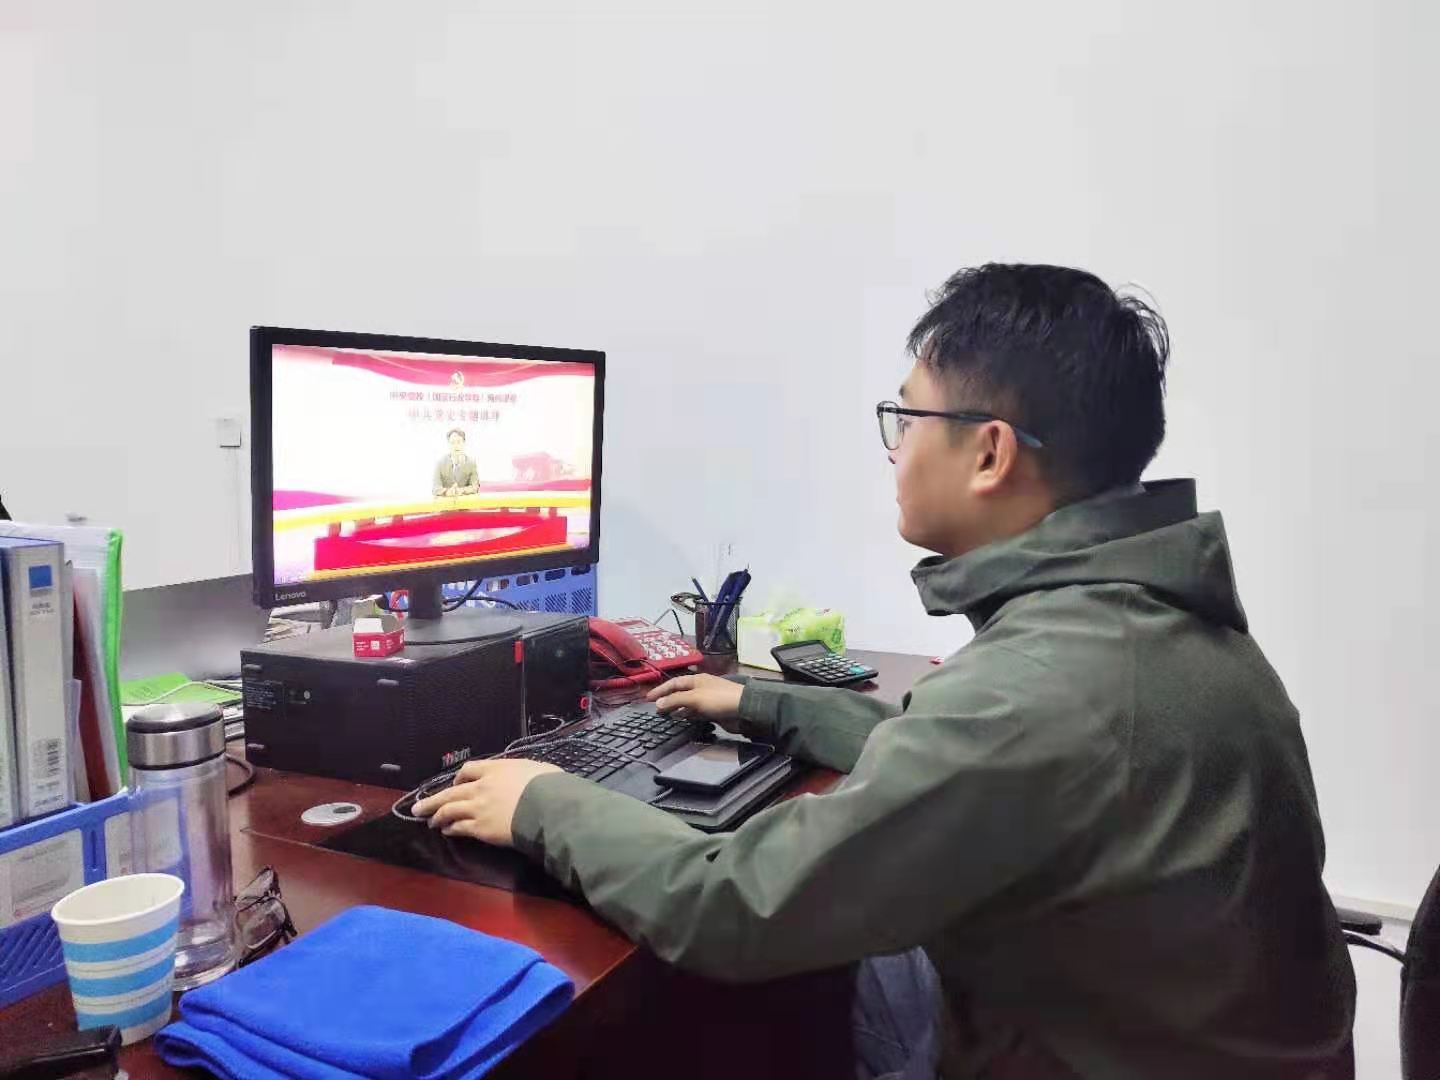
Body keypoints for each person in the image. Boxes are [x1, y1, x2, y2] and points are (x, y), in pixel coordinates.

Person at [415, 264, 1357, 1078]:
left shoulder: (1035, 689)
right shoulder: (1147, 622)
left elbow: (733, 904)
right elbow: (958, 757)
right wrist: (762, 705)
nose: (896, 447)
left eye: (907, 417)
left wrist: (544, 801)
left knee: (726, 996)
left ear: (988, 451)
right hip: (1160, 1034)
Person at [432, 428, 479, 497]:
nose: (456, 446)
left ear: (464, 443)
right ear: (448, 444)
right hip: (445, 502)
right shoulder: (440, 463)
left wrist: (462, 490)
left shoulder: (471, 463)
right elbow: (435, 488)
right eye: (452, 443)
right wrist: (447, 492)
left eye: (459, 442)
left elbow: (475, 487)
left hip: (464, 501)